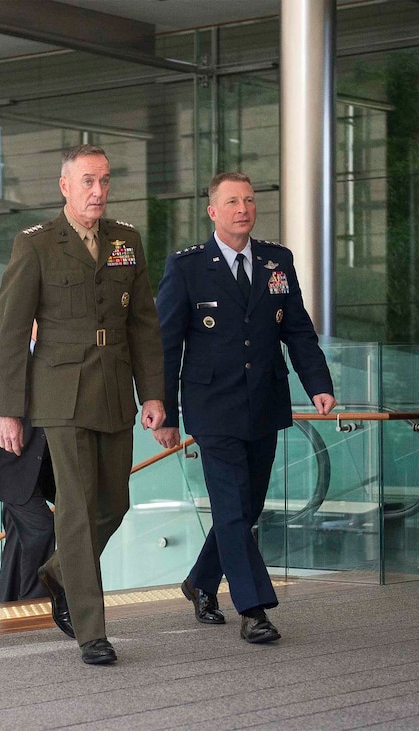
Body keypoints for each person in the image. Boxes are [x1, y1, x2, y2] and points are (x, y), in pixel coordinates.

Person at [0, 143, 166, 665]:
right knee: (75, 509)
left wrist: (153, 392)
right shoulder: (37, 245)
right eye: (88, 181)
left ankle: (58, 571)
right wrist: (8, 409)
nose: (98, 191)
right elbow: (12, 331)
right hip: (59, 394)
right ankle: (92, 630)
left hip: (113, 390)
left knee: (115, 504)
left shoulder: (126, 242)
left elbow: (144, 325)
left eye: (105, 181)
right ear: (65, 187)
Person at [153, 171, 336, 645]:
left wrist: (317, 383)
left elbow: (297, 328)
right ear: (212, 211)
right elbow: (166, 346)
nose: (243, 209)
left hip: (265, 403)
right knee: (231, 506)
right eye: (232, 201)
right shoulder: (187, 267)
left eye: (250, 200)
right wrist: (165, 412)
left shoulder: (277, 260)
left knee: (246, 507)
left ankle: (199, 582)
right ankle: (254, 608)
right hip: (212, 406)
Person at [0, 340, 55, 605]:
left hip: (47, 470)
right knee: (43, 530)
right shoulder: (1, 359)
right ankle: (35, 602)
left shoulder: (57, 356)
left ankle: (5, 603)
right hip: (12, 472)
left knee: (19, 542)